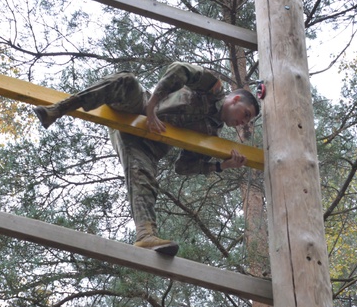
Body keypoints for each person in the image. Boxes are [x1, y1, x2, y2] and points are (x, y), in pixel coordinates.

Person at [32, 62, 260, 256]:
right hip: (140, 107)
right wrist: (152, 107)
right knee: (125, 81)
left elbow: (183, 167)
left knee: (143, 177)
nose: (243, 123)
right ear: (236, 99)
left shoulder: (210, 135)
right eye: (246, 114)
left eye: (247, 121)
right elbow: (179, 69)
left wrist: (221, 165)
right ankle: (58, 109)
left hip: (148, 145)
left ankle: (145, 235)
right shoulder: (213, 88)